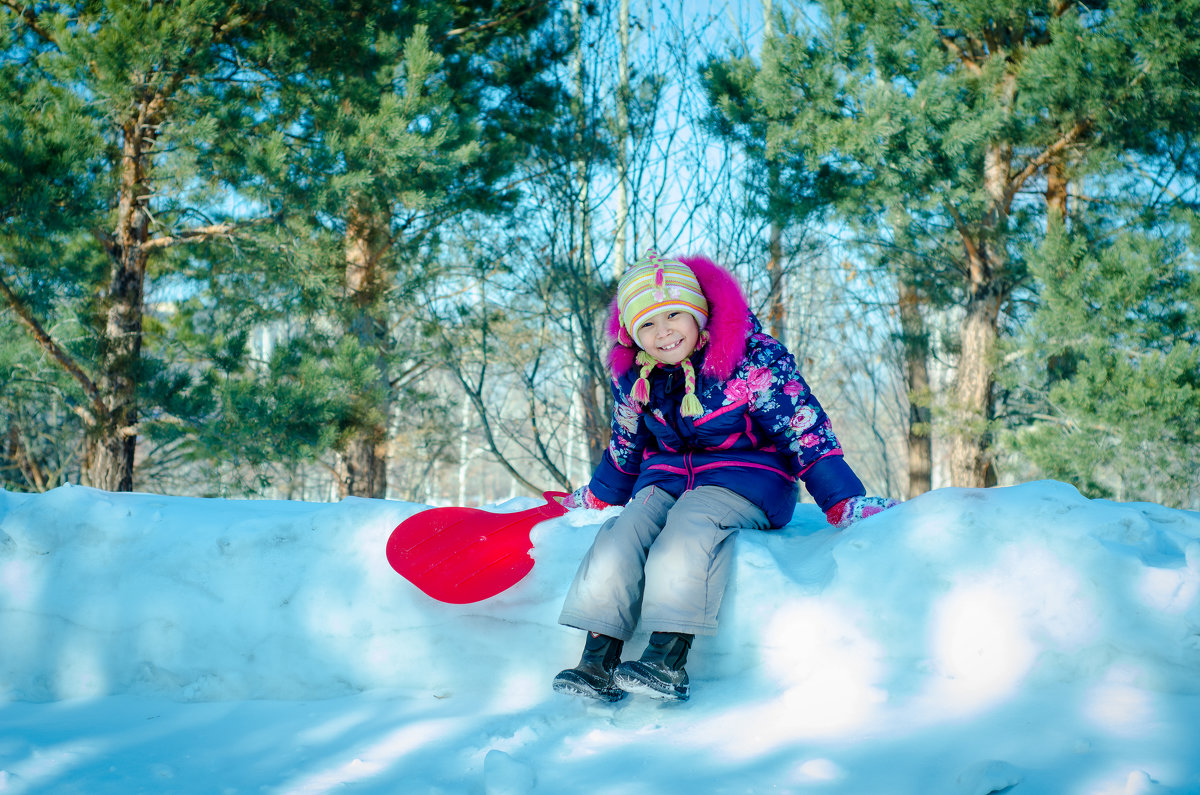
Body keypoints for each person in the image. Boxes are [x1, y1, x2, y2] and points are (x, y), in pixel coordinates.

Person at [552, 251, 898, 703]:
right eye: (648, 325)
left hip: (748, 478)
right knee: (626, 529)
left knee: (691, 522)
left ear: (700, 315)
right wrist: (600, 496)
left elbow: (802, 426)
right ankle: (597, 660)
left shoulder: (750, 360)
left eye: (674, 315)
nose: (664, 332)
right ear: (634, 335)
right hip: (670, 477)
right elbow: (626, 443)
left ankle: (666, 658)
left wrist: (840, 499)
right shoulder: (637, 377)